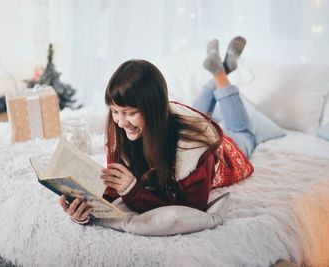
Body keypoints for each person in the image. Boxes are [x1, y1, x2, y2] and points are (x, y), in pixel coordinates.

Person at [60, 36, 255, 225]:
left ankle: (220, 74)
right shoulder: (120, 127)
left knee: (244, 133)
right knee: (198, 113)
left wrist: (133, 192)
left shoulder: (194, 149)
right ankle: (221, 70)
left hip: (225, 154)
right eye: (115, 111)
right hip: (175, 124)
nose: (120, 122)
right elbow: (112, 189)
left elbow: (192, 210)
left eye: (129, 113)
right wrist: (83, 211)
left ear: (153, 109)